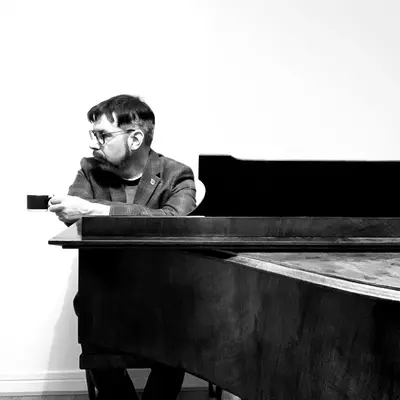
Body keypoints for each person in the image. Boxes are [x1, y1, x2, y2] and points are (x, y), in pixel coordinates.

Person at [48, 94, 197, 400]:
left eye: (103, 135)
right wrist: (85, 210)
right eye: (94, 134)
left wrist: (93, 210)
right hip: (107, 295)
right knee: (87, 305)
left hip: (163, 296)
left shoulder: (176, 174)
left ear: (135, 138)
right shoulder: (89, 171)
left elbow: (174, 221)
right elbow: (74, 218)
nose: (93, 144)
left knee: (186, 312)